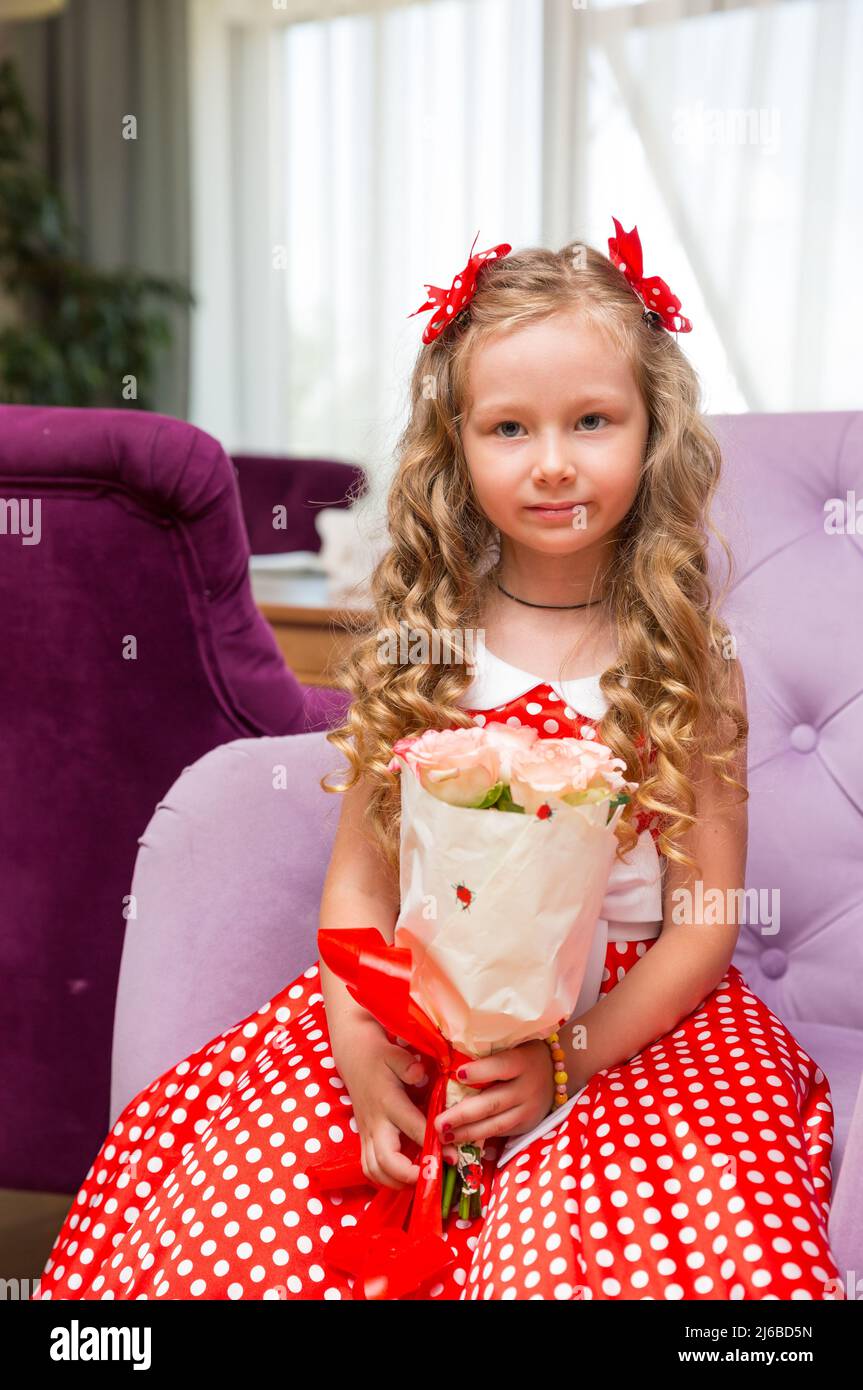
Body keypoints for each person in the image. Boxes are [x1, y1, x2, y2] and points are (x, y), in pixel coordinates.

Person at [33, 221, 842, 1301]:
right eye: (508, 427)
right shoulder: (425, 644)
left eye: (591, 420)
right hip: (419, 1009)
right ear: (455, 444)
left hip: (620, 1024)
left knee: (667, 1251)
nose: (551, 460)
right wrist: (363, 1053)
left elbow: (701, 921)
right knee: (242, 1233)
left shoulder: (685, 656)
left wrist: (569, 1056)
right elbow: (359, 894)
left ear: (650, 430)